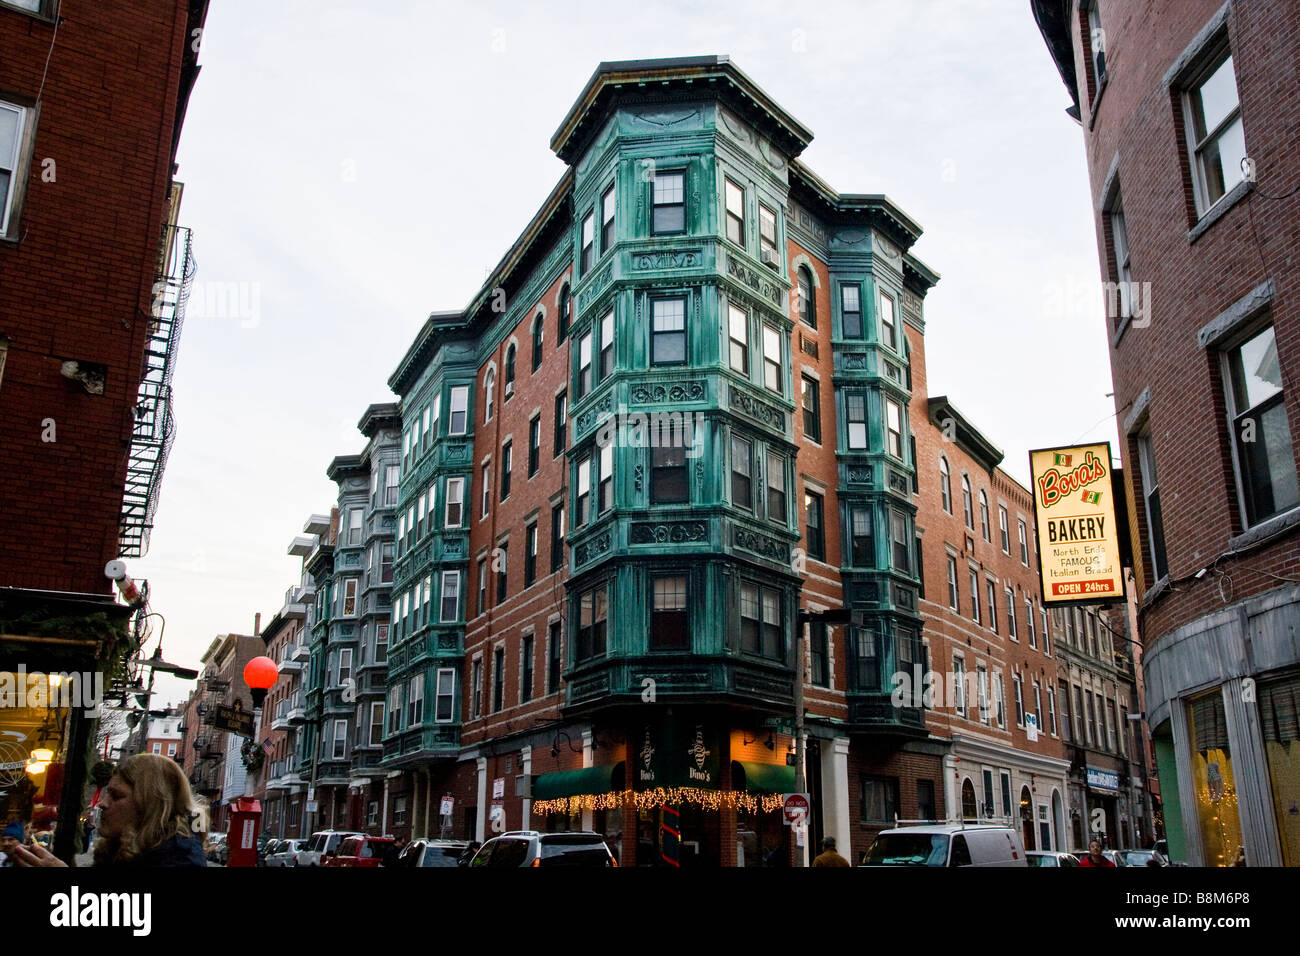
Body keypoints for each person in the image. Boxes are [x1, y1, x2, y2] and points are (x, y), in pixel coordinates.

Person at [11, 753, 206, 867]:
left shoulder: (179, 858)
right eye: (106, 793)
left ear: (150, 804)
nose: (102, 804)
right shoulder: (123, 848)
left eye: (117, 796)